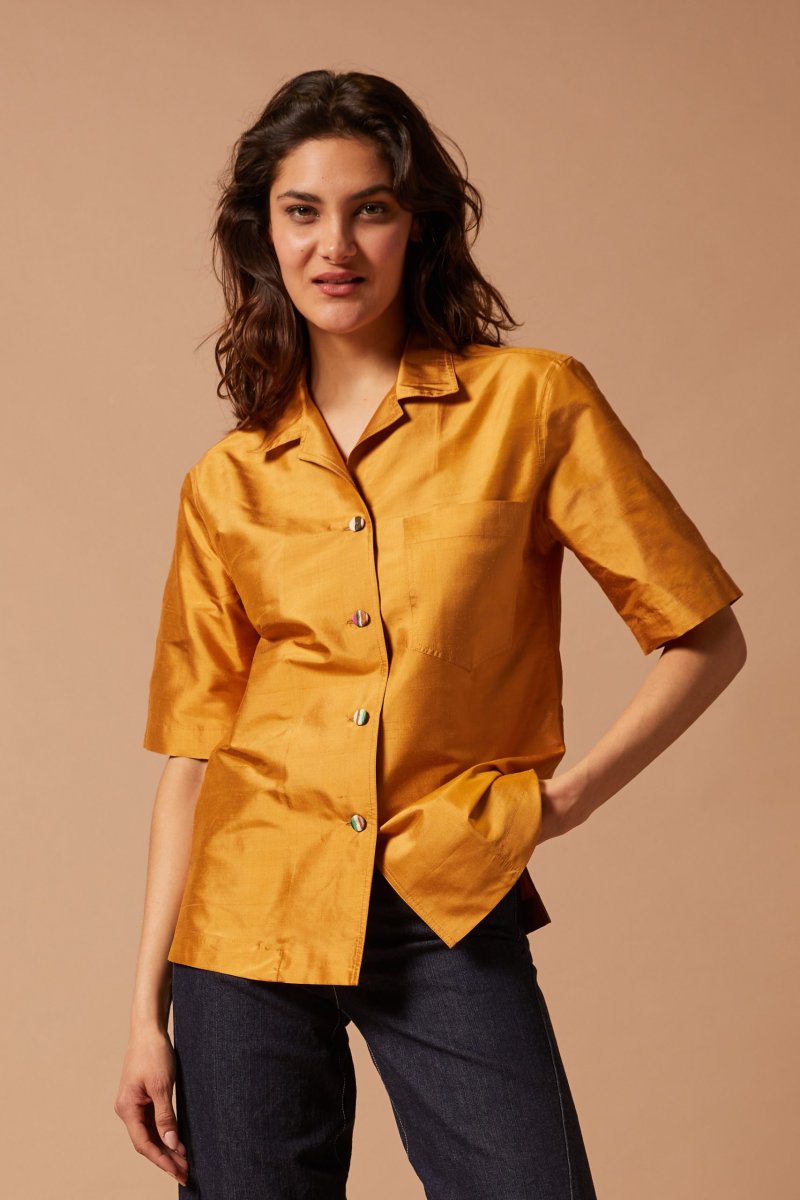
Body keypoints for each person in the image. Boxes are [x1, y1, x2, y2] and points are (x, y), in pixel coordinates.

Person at [113, 69, 746, 1199]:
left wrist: (562, 801)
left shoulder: (532, 403)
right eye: (302, 211)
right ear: (264, 234)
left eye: (371, 208)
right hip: (245, 914)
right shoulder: (228, 480)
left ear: (419, 226)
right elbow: (193, 758)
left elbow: (703, 636)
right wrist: (143, 1013)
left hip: (442, 892)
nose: (335, 245)